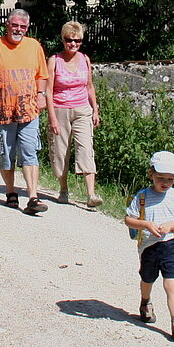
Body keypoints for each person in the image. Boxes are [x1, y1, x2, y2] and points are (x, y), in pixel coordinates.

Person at [0, 9, 49, 215]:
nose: (18, 30)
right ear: (8, 25)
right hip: (3, 112)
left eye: (22, 27)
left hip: (29, 110)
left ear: (27, 28)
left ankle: (33, 196)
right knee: (6, 155)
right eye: (15, 25)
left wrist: (41, 94)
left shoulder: (34, 46)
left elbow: (41, 74)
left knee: (29, 151)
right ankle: (10, 193)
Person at [124, 150, 174, 340]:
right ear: (151, 174)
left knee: (171, 283)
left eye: (170, 179)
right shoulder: (142, 196)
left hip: (170, 245)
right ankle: (145, 302)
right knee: (147, 279)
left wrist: (171, 225)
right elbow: (129, 219)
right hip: (148, 247)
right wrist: (145, 224)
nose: (165, 182)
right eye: (160, 177)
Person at [45, 21, 102, 207]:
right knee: (61, 152)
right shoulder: (54, 61)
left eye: (77, 41)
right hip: (60, 109)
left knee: (86, 148)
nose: (73, 44)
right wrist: (52, 117)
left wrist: (95, 110)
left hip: (82, 109)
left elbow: (89, 86)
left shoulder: (85, 60)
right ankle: (63, 189)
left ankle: (91, 194)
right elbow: (48, 90)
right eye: (70, 40)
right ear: (63, 40)